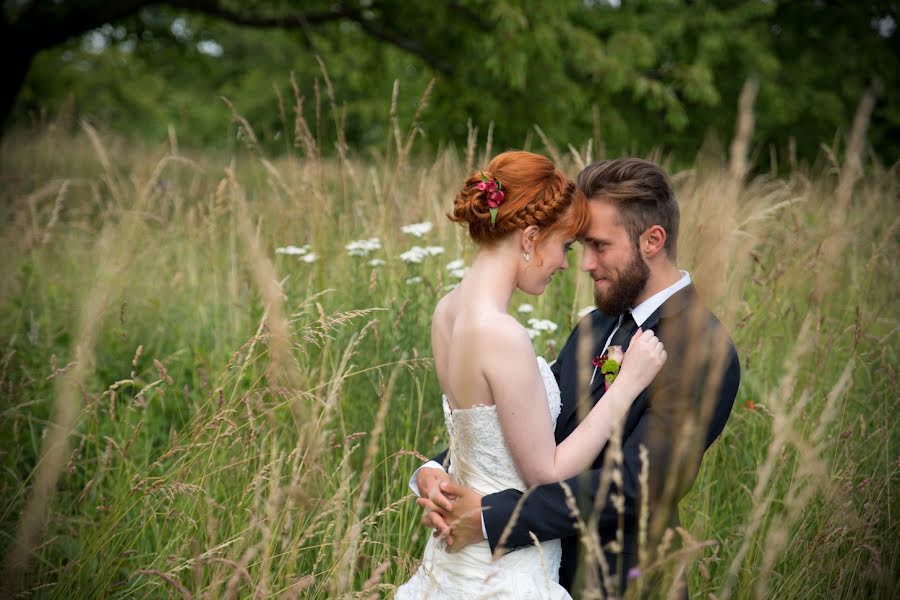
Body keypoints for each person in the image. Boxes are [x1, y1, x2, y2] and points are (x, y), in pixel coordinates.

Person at [413, 158, 741, 597]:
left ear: (652, 241)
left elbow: (634, 483)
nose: (584, 263)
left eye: (599, 245)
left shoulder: (703, 348)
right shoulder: (597, 324)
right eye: (579, 245)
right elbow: (521, 415)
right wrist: (439, 468)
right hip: (537, 573)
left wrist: (493, 518)